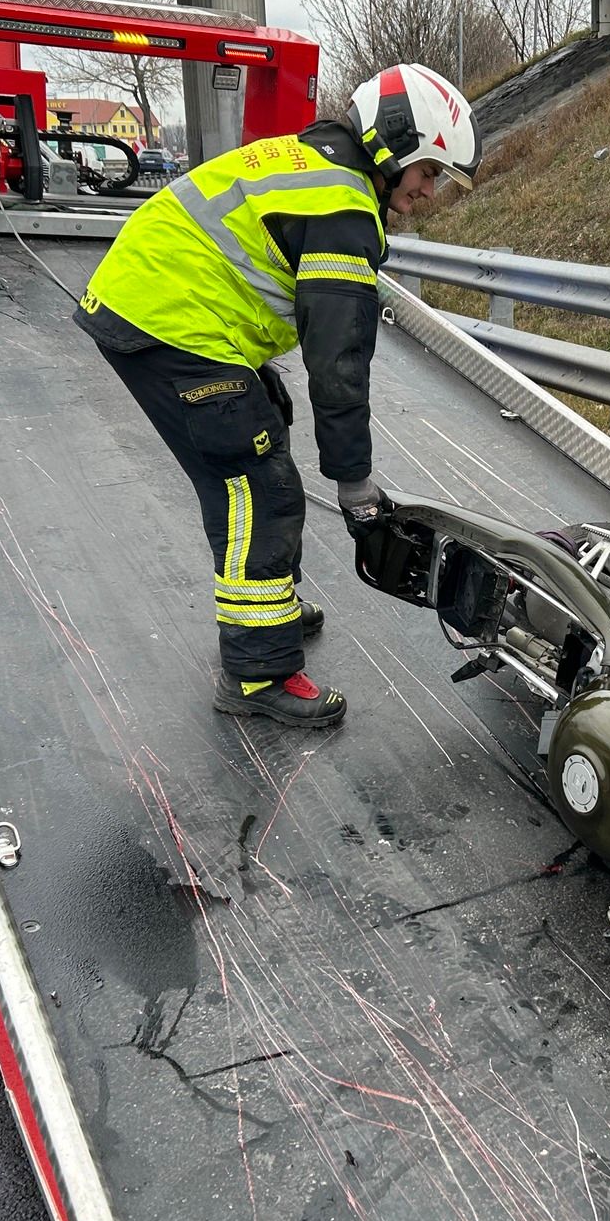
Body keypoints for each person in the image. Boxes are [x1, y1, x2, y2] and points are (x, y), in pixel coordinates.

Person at [74, 63, 481, 727]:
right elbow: (339, 360)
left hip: (160, 307)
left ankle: (268, 608)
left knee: (264, 425)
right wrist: (354, 480)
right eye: (429, 172)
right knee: (254, 480)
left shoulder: (318, 161)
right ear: (395, 145)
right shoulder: (343, 208)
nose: (429, 191)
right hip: (167, 320)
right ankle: (258, 671)